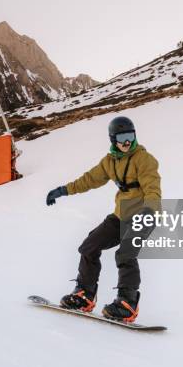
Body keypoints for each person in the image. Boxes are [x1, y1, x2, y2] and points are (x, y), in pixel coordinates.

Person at [46, 116, 161, 322]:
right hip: (120, 215)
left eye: (130, 137)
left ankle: (127, 303)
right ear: (112, 139)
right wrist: (63, 190)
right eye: (122, 138)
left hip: (144, 216)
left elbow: (153, 188)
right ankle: (84, 295)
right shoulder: (109, 162)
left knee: (125, 254)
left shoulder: (144, 159)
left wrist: (150, 210)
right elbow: (89, 180)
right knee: (89, 246)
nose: (127, 143)